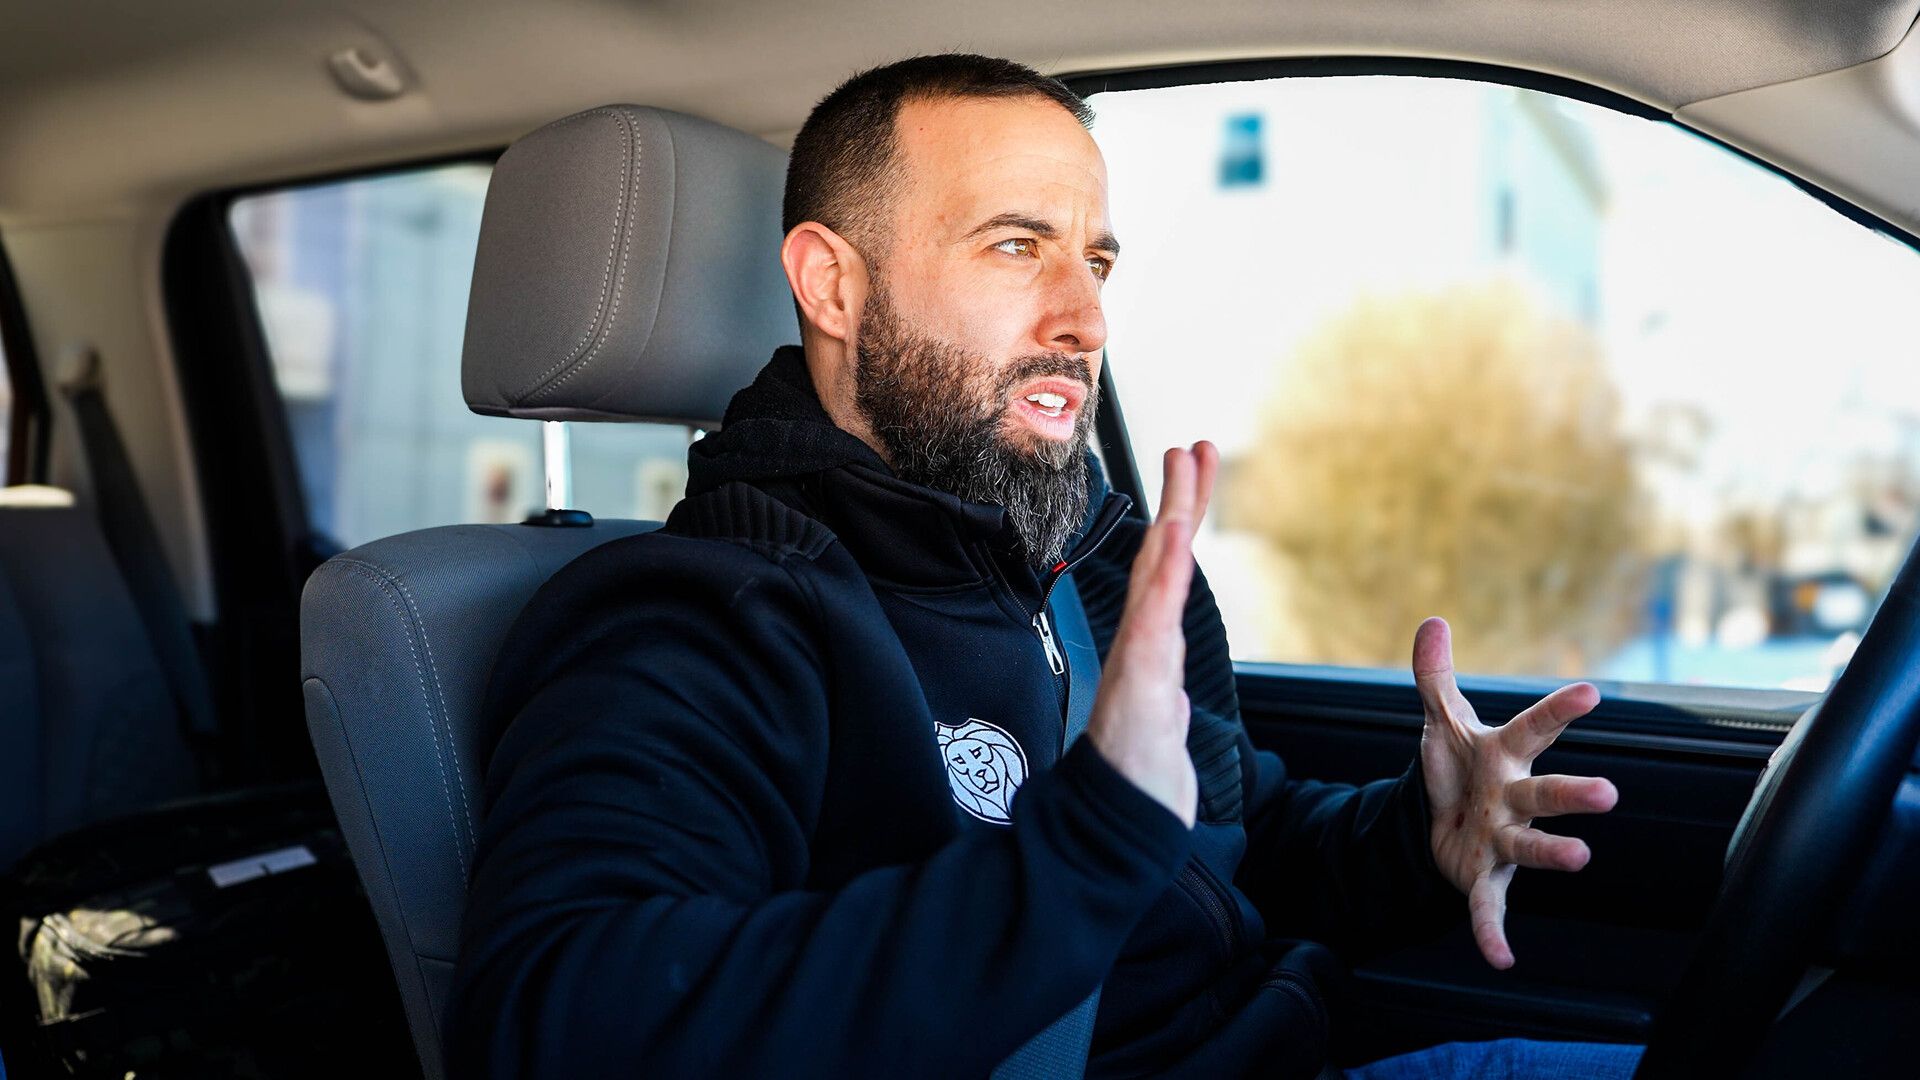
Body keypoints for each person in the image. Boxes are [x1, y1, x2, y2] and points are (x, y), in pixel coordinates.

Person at [447, 54, 1641, 1079]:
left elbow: (1223, 844)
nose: (1086, 317)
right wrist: (1077, 858)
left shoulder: (1094, 559)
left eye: (1097, 261)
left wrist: (1416, 837)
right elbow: (554, 1020)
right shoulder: (705, 618)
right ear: (833, 284)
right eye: (1017, 245)